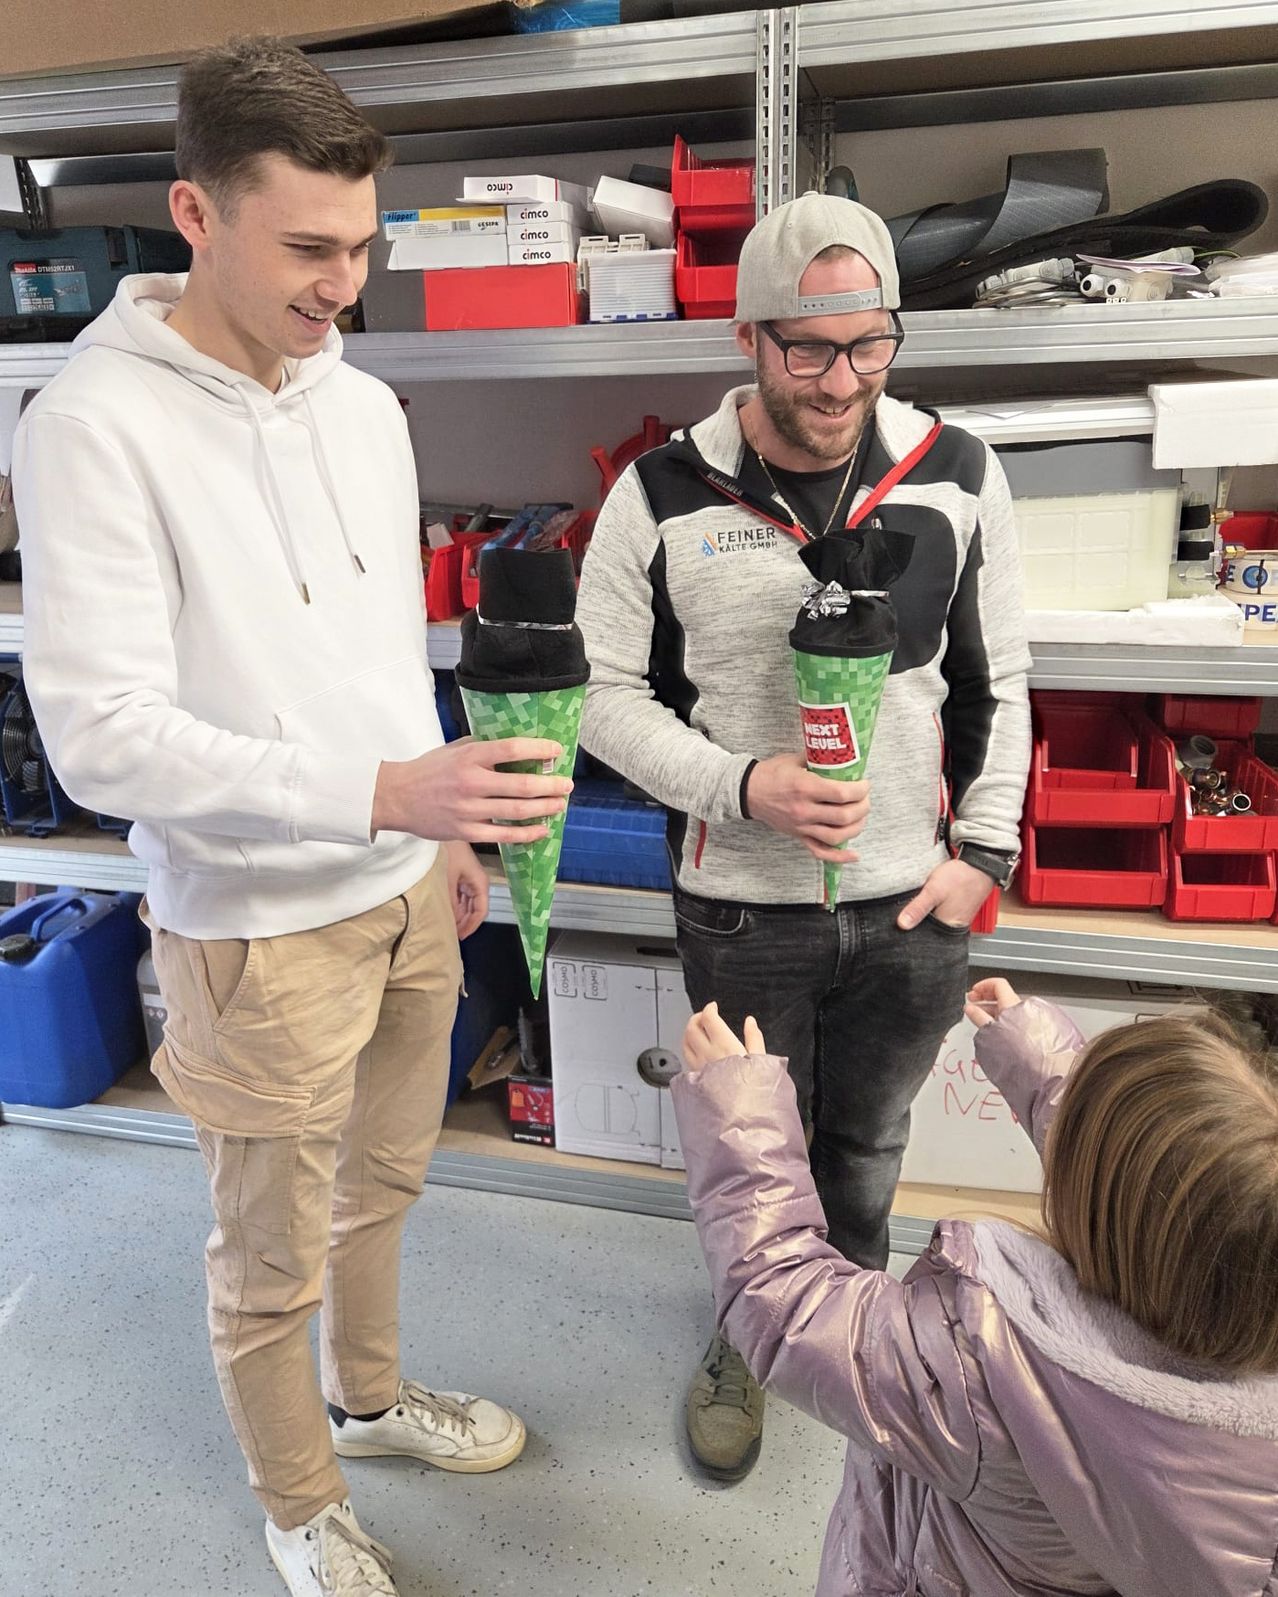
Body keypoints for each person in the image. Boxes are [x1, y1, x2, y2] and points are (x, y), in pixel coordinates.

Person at [12, 37, 572, 1597]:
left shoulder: (363, 406)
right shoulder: (89, 427)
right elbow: (100, 736)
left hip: (407, 887)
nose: (347, 280)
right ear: (195, 213)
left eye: (365, 242)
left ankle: (373, 1399)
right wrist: (381, 793)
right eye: (310, 248)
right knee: (268, 1252)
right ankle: (297, 1497)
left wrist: (438, 822)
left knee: (388, 1182)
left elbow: (386, 648)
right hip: (256, 927)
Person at [575, 190, 1031, 1479]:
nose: (840, 381)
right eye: (808, 348)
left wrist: (978, 861)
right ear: (747, 335)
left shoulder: (955, 470)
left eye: (869, 344)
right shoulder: (658, 492)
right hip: (740, 901)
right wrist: (739, 786)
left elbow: (1003, 676)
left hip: (909, 905)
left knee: (871, 1149)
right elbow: (600, 697)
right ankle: (751, 1331)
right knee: (748, 1142)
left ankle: (861, 1333)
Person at [672, 985, 1278, 1595]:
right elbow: (1172, 1189)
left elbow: (787, 1302)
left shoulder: (981, 1372)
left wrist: (738, 1114)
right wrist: (1037, 1055)